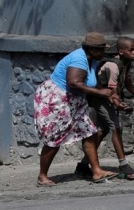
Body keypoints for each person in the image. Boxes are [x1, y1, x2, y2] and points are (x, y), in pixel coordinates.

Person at [34, 32, 118, 186]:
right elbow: (74, 82)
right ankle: (42, 176)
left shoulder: (91, 59)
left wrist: (110, 95)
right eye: (101, 50)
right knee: (54, 140)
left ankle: (97, 171)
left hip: (74, 102)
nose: (104, 53)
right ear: (92, 50)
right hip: (58, 100)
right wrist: (101, 92)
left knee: (89, 133)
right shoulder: (79, 59)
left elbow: (92, 82)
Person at [75, 36, 134, 178]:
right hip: (99, 99)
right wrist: (117, 102)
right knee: (116, 127)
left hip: (107, 98)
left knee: (103, 130)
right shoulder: (114, 66)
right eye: (131, 50)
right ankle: (123, 165)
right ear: (121, 51)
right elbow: (112, 92)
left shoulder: (126, 64)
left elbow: (129, 85)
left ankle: (83, 165)